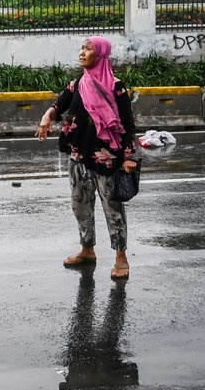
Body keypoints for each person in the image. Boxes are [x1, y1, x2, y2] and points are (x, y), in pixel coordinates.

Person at [37, 36, 137, 280]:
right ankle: (87, 250)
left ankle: (121, 258)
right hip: (79, 155)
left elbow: (127, 124)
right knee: (80, 205)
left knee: (112, 208)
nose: (82, 52)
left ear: (100, 54)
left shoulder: (116, 87)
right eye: (82, 48)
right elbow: (60, 103)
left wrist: (128, 157)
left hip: (107, 158)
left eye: (88, 49)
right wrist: (47, 116)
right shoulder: (80, 82)